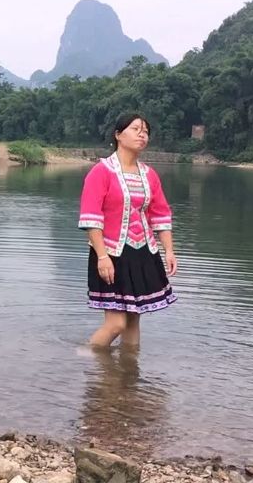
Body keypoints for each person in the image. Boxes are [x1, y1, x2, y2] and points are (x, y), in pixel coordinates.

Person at [78, 113, 177, 348]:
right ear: (118, 135)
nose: (142, 134)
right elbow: (91, 219)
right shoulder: (101, 172)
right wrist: (102, 257)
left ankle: (129, 375)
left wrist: (169, 251)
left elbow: (160, 215)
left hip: (143, 253)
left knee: (133, 320)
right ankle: (85, 359)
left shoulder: (149, 175)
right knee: (116, 324)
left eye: (146, 131)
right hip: (110, 253)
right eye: (135, 129)